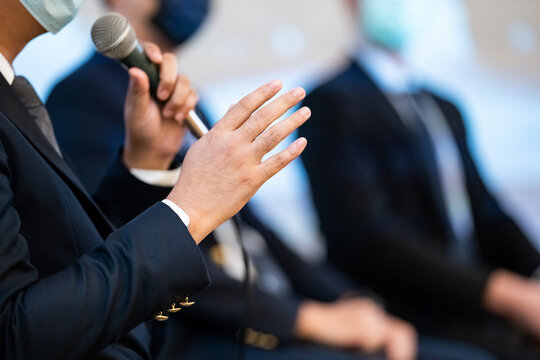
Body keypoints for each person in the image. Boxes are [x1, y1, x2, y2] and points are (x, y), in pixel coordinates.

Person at [0, 0, 309, 358]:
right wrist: (189, 210)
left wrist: (145, 164)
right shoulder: (80, 95)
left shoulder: (14, 95)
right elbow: (14, 336)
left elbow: (70, 257)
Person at [300, 0, 540, 359]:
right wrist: (507, 294)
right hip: (406, 311)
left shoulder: (442, 105)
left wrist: (533, 273)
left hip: (473, 298)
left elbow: (487, 211)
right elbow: (369, 238)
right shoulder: (330, 105)